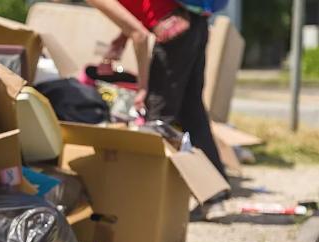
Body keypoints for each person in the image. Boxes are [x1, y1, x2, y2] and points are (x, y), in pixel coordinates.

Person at [86, 0, 227, 178]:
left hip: (176, 30)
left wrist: (142, 87)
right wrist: (122, 37)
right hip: (195, 22)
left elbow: (140, 35)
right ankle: (215, 182)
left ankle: (152, 185)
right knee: (192, 111)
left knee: (158, 117)